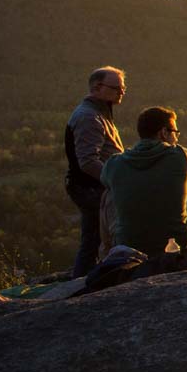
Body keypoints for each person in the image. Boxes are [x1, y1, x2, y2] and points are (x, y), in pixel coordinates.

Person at [101, 106, 187, 260]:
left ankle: (109, 255)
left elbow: (104, 180)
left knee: (108, 194)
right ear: (164, 133)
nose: (177, 137)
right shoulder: (181, 157)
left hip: (128, 249)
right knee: (186, 190)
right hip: (178, 248)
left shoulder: (114, 164)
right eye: (175, 132)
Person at [65, 66, 126, 276]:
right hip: (92, 188)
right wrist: (114, 180)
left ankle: (85, 280)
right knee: (94, 239)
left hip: (94, 186)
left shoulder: (99, 112)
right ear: (97, 87)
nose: (122, 92)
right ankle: (83, 285)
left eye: (123, 87)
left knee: (95, 238)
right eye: (116, 88)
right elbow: (88, 161)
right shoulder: (89, 117)